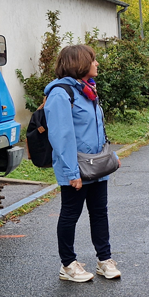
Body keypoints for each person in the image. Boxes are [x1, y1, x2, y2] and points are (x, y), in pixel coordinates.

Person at [44, 44, 121, 283]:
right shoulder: (60, 93)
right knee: (70, 215)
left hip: (96, 165)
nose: (97, 64)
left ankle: (104, 260)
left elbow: (96, 130)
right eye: (93, 60)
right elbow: (61, 136)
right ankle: (67, 265)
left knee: (100, 213)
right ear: (79, 63)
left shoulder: (88, 90)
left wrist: (111, 157)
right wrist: (71, 172)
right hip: (76, 167)